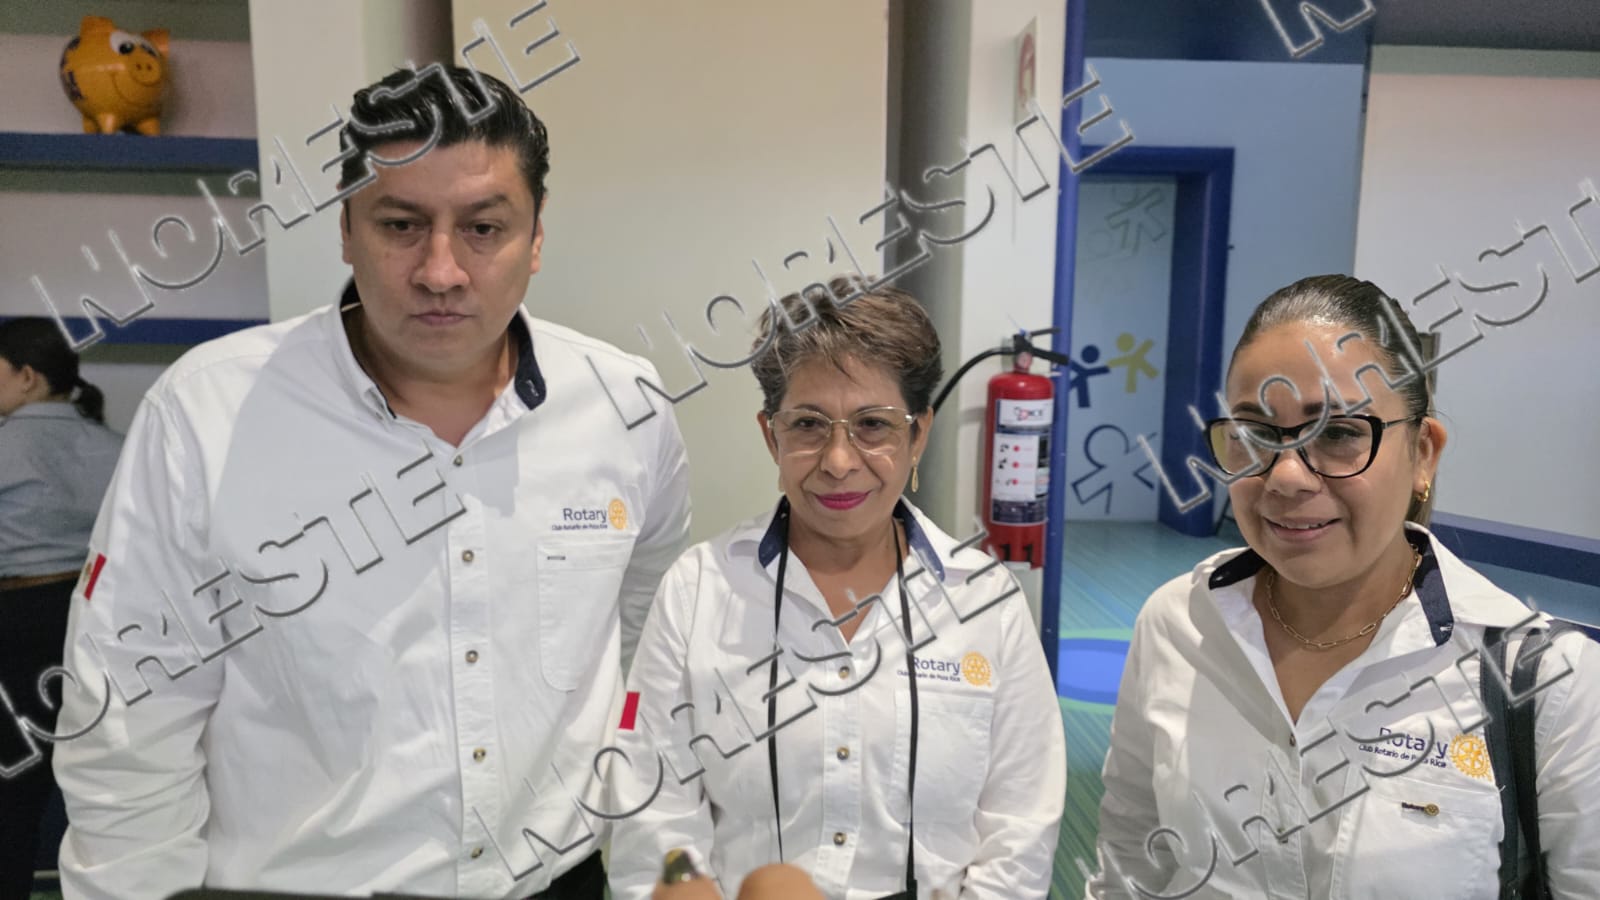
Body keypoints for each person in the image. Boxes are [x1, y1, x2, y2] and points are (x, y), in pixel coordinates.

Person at [51, 65, 691, 899]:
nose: (440, 271)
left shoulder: (624, 406)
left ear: (536, 238)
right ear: (347, 230)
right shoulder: (208, 413)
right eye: (400, 224)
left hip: (557, 880)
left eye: (483, 228)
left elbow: (644, 648)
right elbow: (130, 715)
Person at [1086, 275, 1600, 898]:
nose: (1286, 476)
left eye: (1337, 433)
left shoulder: (1546, 682)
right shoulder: (1179, 622)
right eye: (1253, 434)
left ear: (1423, 454)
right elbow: (1133, 859)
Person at [608, 278, 1066, 899]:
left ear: (918, 435)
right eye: (808, 425)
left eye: (873, 425)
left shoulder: (986, 602)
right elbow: (651, 808)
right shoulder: (697, 592)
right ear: (771, 435)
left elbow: (1021, 826)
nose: (839, 461)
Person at [0, 318, 122, 900]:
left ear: (27, 376)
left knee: (11, 792)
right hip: (101, 624)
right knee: (104, 786)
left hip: (15, 626)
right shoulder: (119, 445)